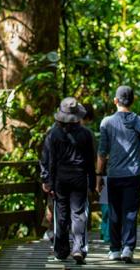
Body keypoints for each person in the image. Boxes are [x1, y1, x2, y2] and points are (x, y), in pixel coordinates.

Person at [96, 85, 140, 263]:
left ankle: (114, 249)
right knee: (130, 212)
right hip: (134, 174)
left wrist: (98, 175)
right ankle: (128, 248)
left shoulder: (106, 122)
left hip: (114, 174)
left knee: (114, 212)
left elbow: (102, 152)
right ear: (133, 101)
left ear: (115, 101)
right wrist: (139, 155)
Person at [40, 97, 96, 264]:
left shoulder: (53, 134)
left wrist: (47, 180)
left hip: (60, 179)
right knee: (79, 214)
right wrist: (92, 183)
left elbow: (47, 159)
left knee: (61, 214)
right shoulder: (86, 134)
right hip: (79, 178)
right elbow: (90, 161)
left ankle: (61, 249)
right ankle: (78, 248)